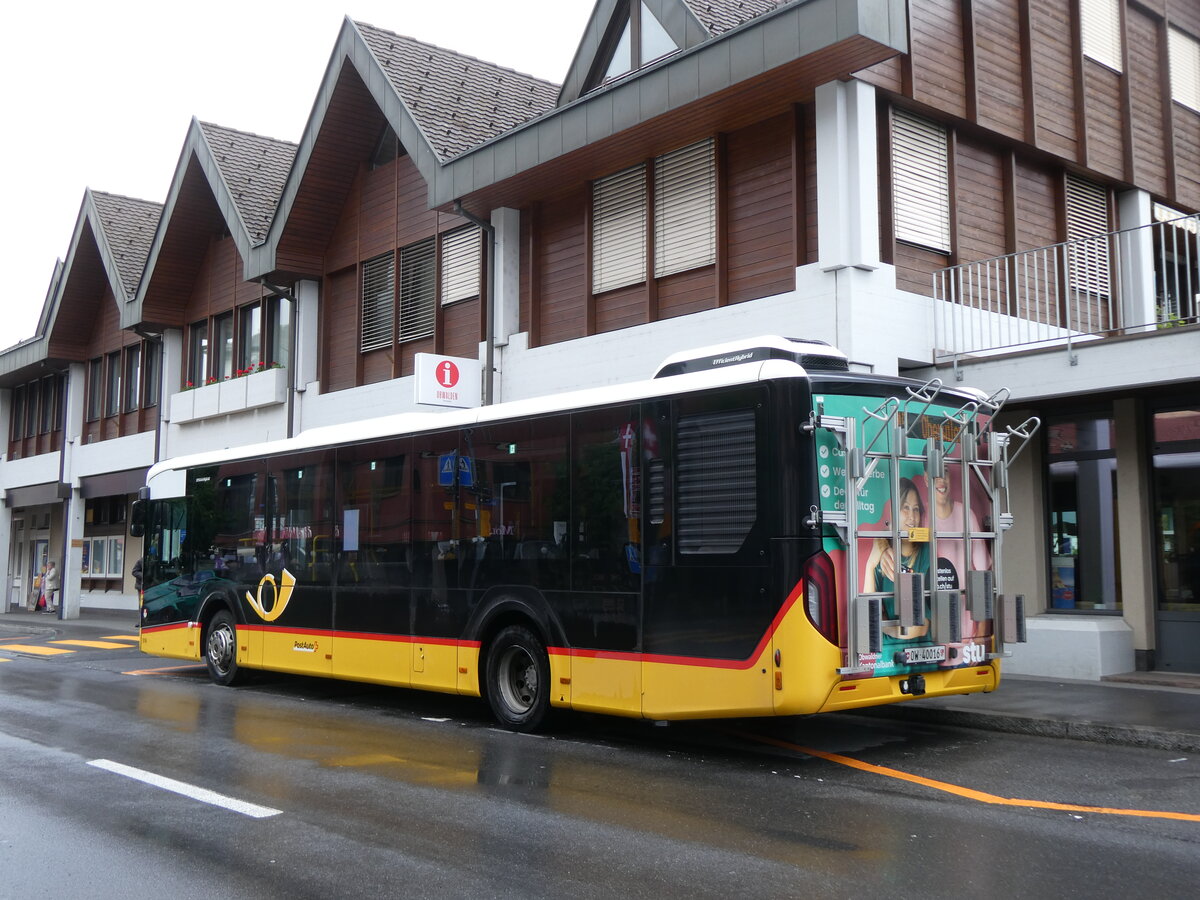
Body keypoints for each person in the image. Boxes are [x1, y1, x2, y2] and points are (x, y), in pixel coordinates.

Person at [862, 478, 929, 595]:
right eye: (906, 507)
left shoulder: (926, 549)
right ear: (893, 512)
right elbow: (869, 604)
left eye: (916, 509)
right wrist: (870, 565)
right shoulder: (881, 551)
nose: (912, 516)